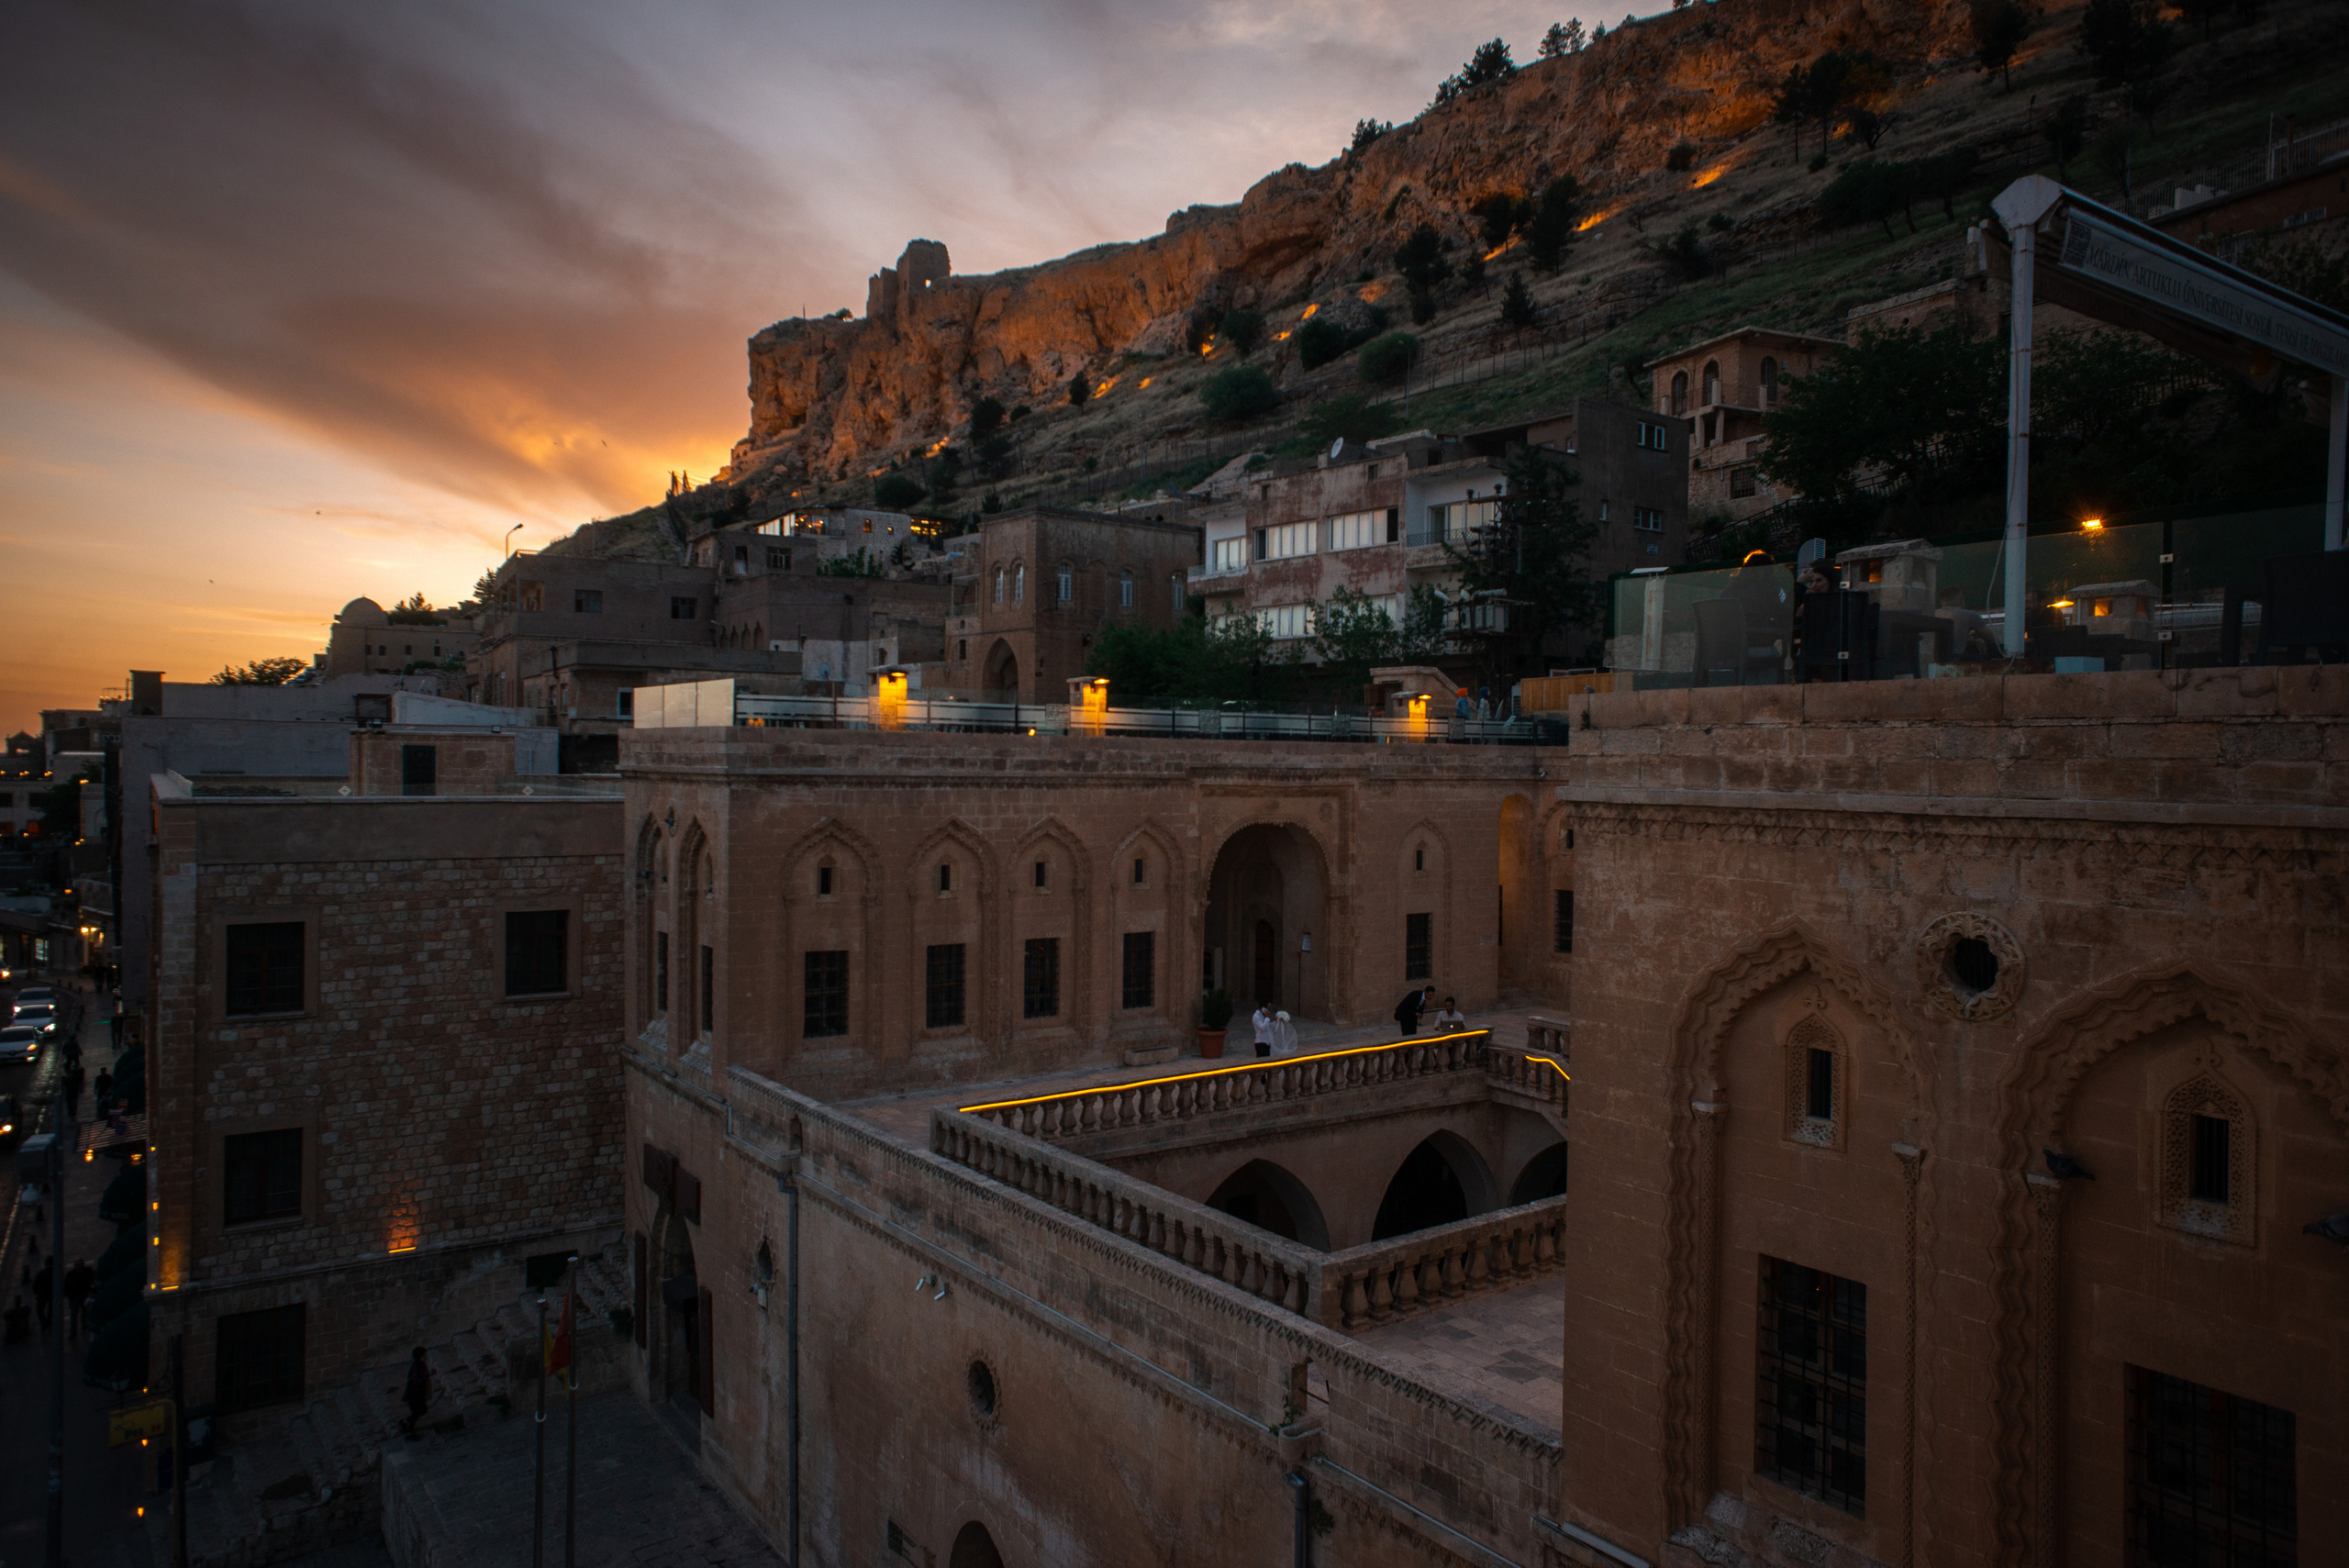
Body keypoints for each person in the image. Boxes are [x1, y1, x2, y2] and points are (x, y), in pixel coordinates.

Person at [402, 1348, 433, 1438]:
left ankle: (405, 1422)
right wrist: (426, 1376)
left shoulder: (421, 1365)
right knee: (417, 1412)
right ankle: (409, 1432)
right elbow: (416, 1380)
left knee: (421, 1411)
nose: (426, 1357)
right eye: (424, 1355)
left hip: (419, 1394)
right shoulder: (416, 1366)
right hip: (414, 1394)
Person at [63, 1258, 95, 1340]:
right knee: (76, 1313)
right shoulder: (85, 1272)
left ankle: (79, 1328)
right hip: (76, 1295)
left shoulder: (73, 1274)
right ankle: (76, 1330)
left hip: (80, 1295)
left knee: (81, 1312)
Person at [31, 1259, 53, 1332]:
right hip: (52, 1294)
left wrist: (36, 1292)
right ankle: (49, 1320)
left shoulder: (41, 1273)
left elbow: (35, 1284)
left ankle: (43, 1322)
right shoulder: (56, 1272)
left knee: (40, 1309)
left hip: (42, 1294)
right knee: (51, 1308)